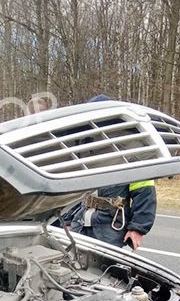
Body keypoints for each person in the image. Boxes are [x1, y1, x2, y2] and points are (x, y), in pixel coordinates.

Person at [60, 94, 157, 250]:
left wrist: (138, 228)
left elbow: (145, 192)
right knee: (73, 260)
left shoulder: (130, 152)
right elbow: (75, 191)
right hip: (81, 221)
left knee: (104, 263)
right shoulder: (85, 150)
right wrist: (67, 220)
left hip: (109, 226)